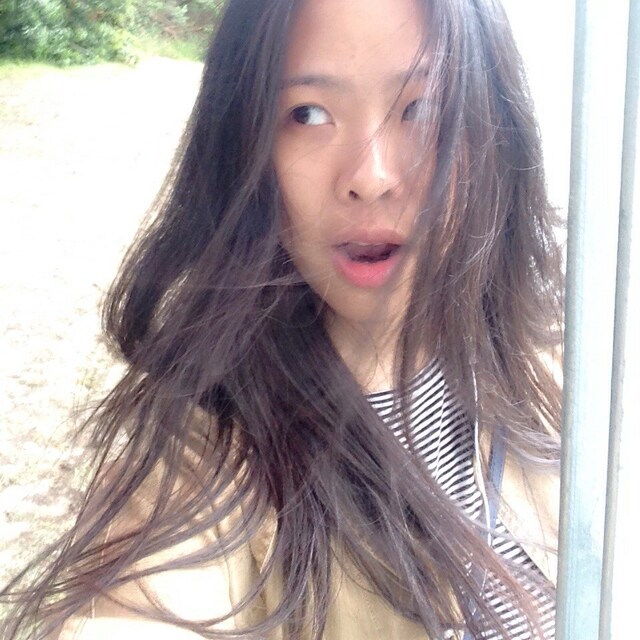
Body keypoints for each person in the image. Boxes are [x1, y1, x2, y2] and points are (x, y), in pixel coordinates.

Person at [1, 0, 564, 638]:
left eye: (424, 108)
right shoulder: (209, 454)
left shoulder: (569, 375)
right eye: (307, 114)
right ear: (247, 149)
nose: (370, 178)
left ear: (497, 128)